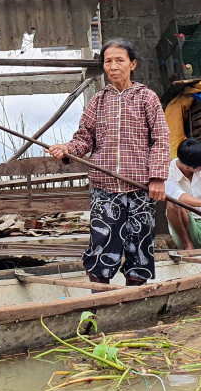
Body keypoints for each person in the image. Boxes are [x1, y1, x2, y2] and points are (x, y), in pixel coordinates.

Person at [48, 39, 169, 286]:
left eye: (119, 60)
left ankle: (134, 302)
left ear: (132, 64)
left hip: (140, 187)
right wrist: (67, 149)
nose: (113, 66)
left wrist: (157, 177)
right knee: (102, 248)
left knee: (140, 247)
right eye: (108, 61)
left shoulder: (147, 98)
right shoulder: (98, 101)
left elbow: (161, 139)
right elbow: (84, 140)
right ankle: (98, 306)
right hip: (105, 189)